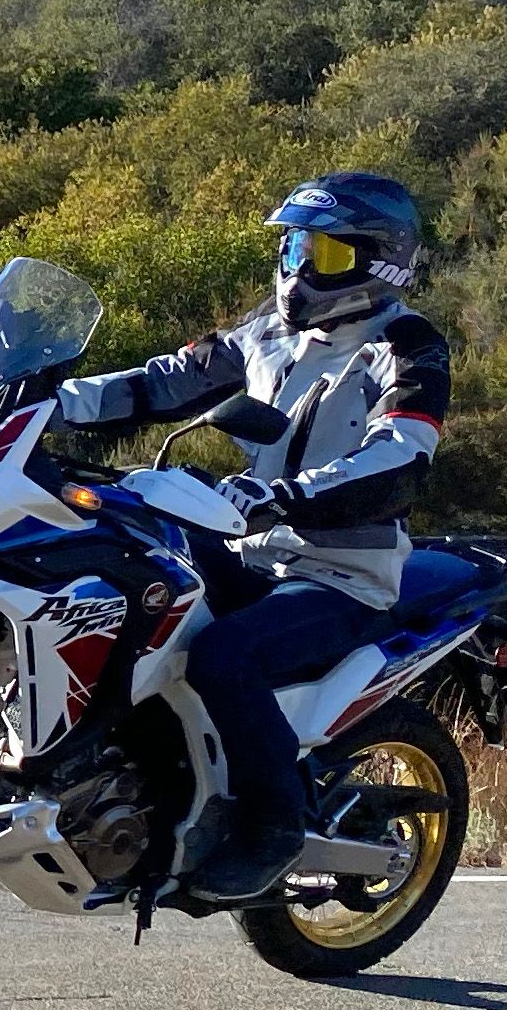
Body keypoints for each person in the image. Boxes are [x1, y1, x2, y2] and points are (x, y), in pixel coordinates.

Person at [57, 172, 450, 899]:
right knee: (122, 575)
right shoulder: (266, 332)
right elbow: (160, 383)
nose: (299, 270)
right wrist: (34, 401)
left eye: (324, 255)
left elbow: (402, 454)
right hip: (248, 550)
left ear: (380, 261)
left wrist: (286, 497)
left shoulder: (407, 345)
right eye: (295, 248)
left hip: (340, 572)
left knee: (222, 654)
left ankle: (272, 828)